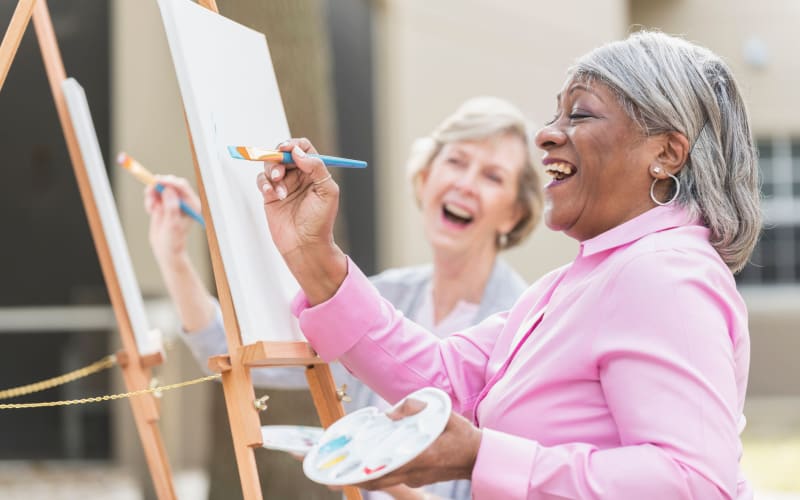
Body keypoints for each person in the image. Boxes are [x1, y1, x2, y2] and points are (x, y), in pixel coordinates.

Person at [256, 30, 762, 499]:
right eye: (556, 114)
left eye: (580, 115)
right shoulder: (576, 282)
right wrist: (312, 254)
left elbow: (693, 483)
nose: (545, 134)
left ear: (667, 153)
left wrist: (481, 456)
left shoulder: (663, 273)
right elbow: (446, 381)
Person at [145, 97, 544, 500]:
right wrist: (174, 257)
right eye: (456, 161)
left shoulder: (524, 329)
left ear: (515, 213)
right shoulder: (378, 299)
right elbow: (233, 349)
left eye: (492, 176)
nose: (466, 184)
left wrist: (370, 470)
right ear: (425, 177)